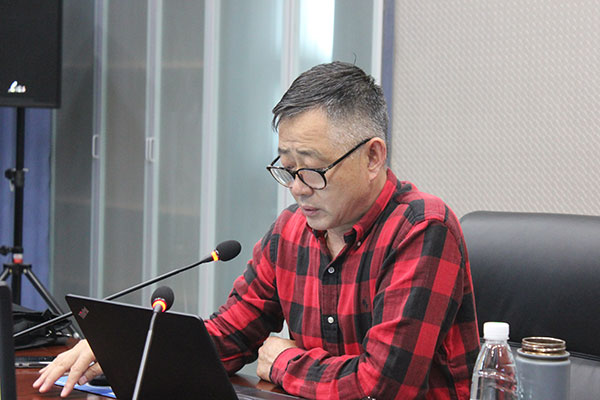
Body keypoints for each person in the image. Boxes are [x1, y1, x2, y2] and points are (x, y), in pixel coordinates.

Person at [34, 62, 479, 399]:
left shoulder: (422, 228)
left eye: (312, 170)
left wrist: (284, 361)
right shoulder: (291, 231)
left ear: (373, 157)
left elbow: (381, 387)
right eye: (287, 169)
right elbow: (228, 337)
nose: (298, 189)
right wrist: (125, 352)